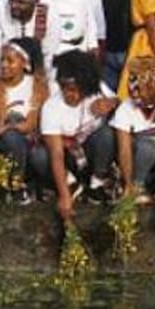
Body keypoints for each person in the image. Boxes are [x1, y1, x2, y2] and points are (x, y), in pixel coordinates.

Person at [35, 50, 118, 219]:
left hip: (91, 152)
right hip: (67, 159)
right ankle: (69, 184)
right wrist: (65, 197)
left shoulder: (98, 89)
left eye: (74, 89)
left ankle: (97, 182)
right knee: (39, 156)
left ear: (86, 86)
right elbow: (56, 154)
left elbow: (119, 100)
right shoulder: (51, 108)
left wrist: (110, 103)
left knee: (107, 134)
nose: (68, 94)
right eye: (64, 88)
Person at [0, 37, 47, 205]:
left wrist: (3, 128)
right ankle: (7, 185)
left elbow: (29, 124)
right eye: (2, 60)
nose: (4, 65)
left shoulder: (36, 86)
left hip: (28, 146)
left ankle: (19, 184)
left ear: (25, 63)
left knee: (15, 137)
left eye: (10, 60)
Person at [112, 56, 155, 204]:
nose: (134, 94)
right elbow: (124, 151)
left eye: (139, 88)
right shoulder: (125, 110)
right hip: (140, 165)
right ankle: (136, 188)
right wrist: (128, 184)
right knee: (147, 147)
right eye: (131, 87)